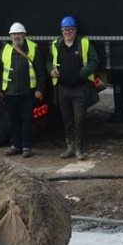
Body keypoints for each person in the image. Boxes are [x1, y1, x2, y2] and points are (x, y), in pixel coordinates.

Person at [48, 16, 100, 160]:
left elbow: (94, 61)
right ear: (61, 31)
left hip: (79, 88)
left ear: (75, 30)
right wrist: (50, 70)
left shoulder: (83, 43)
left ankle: (79, 149)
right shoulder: (56, 44)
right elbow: (48, 61)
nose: (68, 32)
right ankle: (69, 147)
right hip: (62, 89)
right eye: (65, 30)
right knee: (67, 120)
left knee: (79, 119)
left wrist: (82, 74)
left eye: (70, 29)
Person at [0, 22, 46, 158]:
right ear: (10, 36)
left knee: (27, 121)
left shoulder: (33, 48)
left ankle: (26, 147)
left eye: (19, 33)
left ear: (24, 35)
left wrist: (39, 89)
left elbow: (40, 72)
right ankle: (15, 146)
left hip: (27, 93)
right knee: (12, 121)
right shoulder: (5, 49)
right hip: (9, 93)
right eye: (14, 34)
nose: (17, 36)